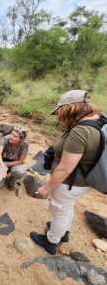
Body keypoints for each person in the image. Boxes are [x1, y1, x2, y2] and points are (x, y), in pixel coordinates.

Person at [30, 90, 102, 255]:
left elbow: (65, 168)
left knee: (58, 210)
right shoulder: (96, 119)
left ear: (70, 108)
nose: (59, 115)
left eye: (60, 111)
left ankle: (51, 241)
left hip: (70, 182)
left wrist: (46, 188)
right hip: (84, 180)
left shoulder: (81, 131)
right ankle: (63, 232)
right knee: (66, 207)